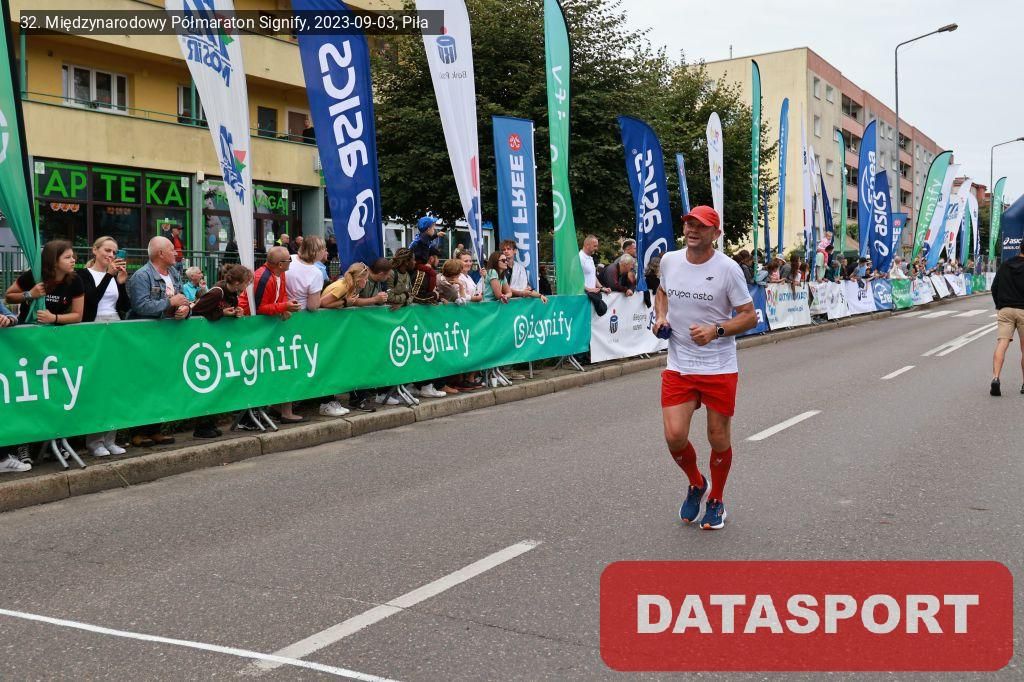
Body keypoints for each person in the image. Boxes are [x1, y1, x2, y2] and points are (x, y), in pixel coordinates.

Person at [652, 206, 757, 531]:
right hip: (679, 365)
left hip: (718, 366)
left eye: (701, 226)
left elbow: (750, 316)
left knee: (717, 436)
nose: (692, 230)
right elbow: (662, 293)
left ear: (716, 233)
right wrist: (661, 317)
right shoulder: (670, 261)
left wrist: (717, 330)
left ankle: (717, 500)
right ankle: (697, 483)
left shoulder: (728, 269)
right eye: (689, 224)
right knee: (674, 436)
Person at [125, 236, 192, 445]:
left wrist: (185, 309)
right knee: (143, 384)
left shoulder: (174, 273)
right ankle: (137, 432)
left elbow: (183, 299)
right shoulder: (142, 276)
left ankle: (156, 429)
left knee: (162, 383)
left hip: (167, 338)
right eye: (172, 249)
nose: (176, 253)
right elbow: (140, 306)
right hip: (145, 339)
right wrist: (170, 303)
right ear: (160, 253)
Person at [5, 240, 85, 327]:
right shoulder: (34, 275)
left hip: (56, 330)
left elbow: (78, 316)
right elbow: (8, 297)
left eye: (72, 256)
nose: (73, 260)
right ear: (54, 261)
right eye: (67, 257)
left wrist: (54, 318)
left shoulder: (75, 280)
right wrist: (30, 294)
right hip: (28, 328)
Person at [989, 241, 1024, 396]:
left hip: (1005, 310)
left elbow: (994, 287)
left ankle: (996, 378)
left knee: (1002, 343)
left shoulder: (1005, 265)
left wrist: (999, 305)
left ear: (1020, 248)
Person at [238, 247, 302, 320]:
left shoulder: (280, 272)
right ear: (280, 265)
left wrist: (285, 307)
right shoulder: (263, 279)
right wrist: (284, 307)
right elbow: (259, 309)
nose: (290, 261)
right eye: (289, 259)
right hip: (247, 319)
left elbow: (282, 293)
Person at [81, 236, 130, 324]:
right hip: (93, 324)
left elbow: (125, 307)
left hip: (115, 321)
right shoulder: (82, 274)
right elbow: (91, 301)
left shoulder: (113, 276)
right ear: (95, 250)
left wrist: (121, 284)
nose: (111, 255)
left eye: (114, 253)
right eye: (107, 250)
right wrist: (109, 275)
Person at [580, 235, 610, 315]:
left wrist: (602, 288)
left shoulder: (590, 258)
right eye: (595, 246)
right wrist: (588, 289)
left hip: (591, 298)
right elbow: (574, 279)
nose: (596, 248)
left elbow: (593, 276)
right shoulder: (579, 258)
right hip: (583, 298)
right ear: (587, 245)